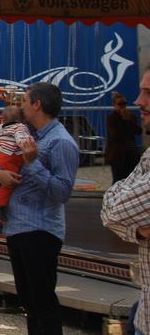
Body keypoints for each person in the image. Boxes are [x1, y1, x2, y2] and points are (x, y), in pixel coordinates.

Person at [0, 82, 78, 335]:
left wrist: (32, 164)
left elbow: (62, 191)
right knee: (28, 301)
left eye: (25, 101)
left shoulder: (61, 142)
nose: (21, 106)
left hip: (41, 230)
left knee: (42, 301)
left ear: (37, 104)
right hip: (17, 227)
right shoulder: (25, 134)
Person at [101, 67, 150, 335]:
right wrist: (138, 229)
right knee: (117, 192)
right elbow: (110, 210)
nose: (139, 100)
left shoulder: (125, 117)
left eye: (148, 93)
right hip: (145, 313)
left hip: (126, 156)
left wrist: (131, 223)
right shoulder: (112, 118)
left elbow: (116, 211)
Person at [0, 102, 32, 217]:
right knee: (9, 183)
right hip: (12, 157)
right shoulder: (20, 127)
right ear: (21, 119)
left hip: (2, 156)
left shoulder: (4, 129)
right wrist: (25, 146)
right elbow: (21, 137)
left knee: (6, 182)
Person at [107, 92, 140, 184]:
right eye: (120, 104)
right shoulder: (112, 118)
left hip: (131, 153)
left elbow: (138, 131)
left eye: (124, 104)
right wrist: (125, 121)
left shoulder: (131, 117)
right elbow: (115, 135)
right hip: (118, 155)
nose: (123, 106)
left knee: (131, 179)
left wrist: (128, 120)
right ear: (114, 105)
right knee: (118, 180)